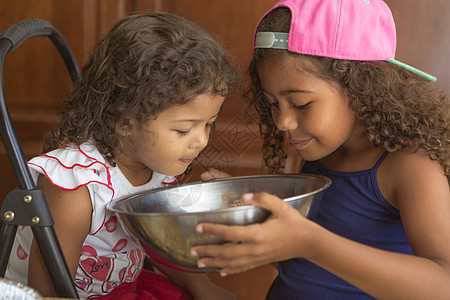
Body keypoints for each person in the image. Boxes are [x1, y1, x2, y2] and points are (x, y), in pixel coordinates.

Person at [192, 0, 450, 299]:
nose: (283, 121)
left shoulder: (408, 165)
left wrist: (308, 241)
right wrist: (259, 224)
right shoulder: (321, 152)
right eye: (273, 104)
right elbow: (312, 264)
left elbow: (443, 284)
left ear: (362, 87)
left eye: (301, 104)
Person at [5, 12, 238, 299]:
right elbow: (46, 292)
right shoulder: (77, 187)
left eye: (209, 124)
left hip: (125, 286)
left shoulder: (159, 164)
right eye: (183, 130)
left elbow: (159, 245)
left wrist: (202, 287)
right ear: (126, 121)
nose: (201, 141)